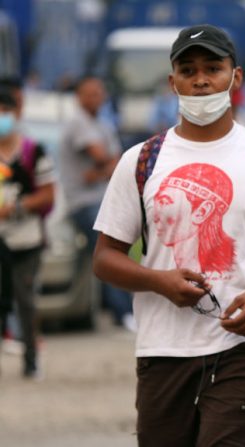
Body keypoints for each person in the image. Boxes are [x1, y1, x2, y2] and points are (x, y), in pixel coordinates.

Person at [91, 24, 245, 446]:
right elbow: (105, 258)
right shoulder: (140, 161)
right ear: (171, 81)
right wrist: (158, 281)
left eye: (213, 68)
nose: (200, 80)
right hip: (162, 349)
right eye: (188, 69)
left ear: (236, 78)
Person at [59, 75, 135, 331]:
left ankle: (116, 307)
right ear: (78, 97)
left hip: (102, 197)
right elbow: (102, 157)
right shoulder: (78, 123)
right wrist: (105, 166)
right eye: (89, 93)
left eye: (98, 93)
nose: (95, 98)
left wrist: (101, 170)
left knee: (126, 243)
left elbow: (118, 162)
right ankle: (123, 311)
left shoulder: (102, 124)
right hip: (84, 202)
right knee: (110, 251)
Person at [0, 88, 55, 379]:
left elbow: (47, 195)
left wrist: (17, 207)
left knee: (26, 300)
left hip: (26, 239)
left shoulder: (34, 152)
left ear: (15, 114)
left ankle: (31, 359)